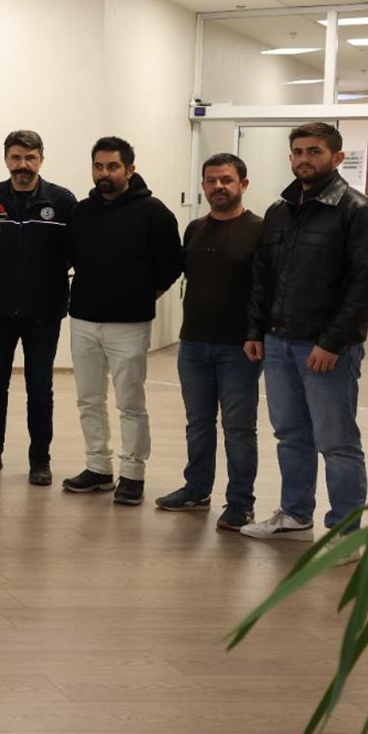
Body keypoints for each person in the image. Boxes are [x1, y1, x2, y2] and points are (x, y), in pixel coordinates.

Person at [242, 122, 368, 546]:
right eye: (298, 151)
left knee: (337, 441)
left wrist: (333, 342)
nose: (304, 159)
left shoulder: (360, 212)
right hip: (278, 343)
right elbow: (263, 277)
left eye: (314, 151)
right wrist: (256, 330)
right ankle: (295, 516)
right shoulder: (279, 211)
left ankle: (345, 533)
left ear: (337, 157)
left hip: (325, 347)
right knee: (291, 435)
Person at [62, 135, 183, 506]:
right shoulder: (81, 212)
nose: (104, 173)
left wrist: (141, 295)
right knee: (88, 399)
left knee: (130, 402)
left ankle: (132, 473)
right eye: (98, 166)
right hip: (84, 321)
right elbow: (72, 256)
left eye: (112, 166)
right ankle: (98, 467)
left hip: (129, 325)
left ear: (130, 169)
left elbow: (171, 264)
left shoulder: (154, 212)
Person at [154, 154, 263, 528]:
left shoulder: (260, 230)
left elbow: (265, 289)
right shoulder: (195, 229)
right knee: (198, 423)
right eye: (211, 180)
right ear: (202, 186)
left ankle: (241, 503)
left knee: (239, 428)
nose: (219, 186)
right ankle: (197, 490)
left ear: (242, 184)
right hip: (193, 344)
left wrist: (256, 334)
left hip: (239, 347)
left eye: (226, 180)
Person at [0, 129, 76, 486]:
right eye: (16, 157)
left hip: (43, 312)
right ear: (6, 159)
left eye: (30, 158)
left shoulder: (62, 201)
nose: (22, 165)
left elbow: (74, 253)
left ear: (41, 159)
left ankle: (40, 460)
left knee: (39, 388)